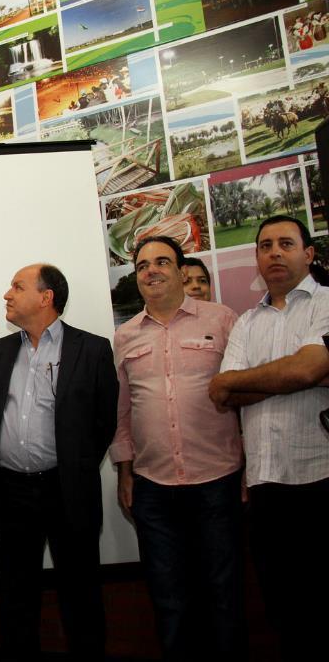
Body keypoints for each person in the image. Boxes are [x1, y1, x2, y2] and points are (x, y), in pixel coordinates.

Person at [110, 237, 244, 659]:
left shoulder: (223, 320)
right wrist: (125, 474)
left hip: (217, 480)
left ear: (181, 270)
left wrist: (248, 471)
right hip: (153, 487)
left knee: (223, 592)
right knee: (168, 597)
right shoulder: (125, 336)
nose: (151, 270)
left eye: (161, 261)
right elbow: (122, 413)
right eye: (143, 265)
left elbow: (245, 399)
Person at [209, 215, 329, 661]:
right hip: (266, 484)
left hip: (321, 473)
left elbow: (307, 369)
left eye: (285, 243)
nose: (274, 253)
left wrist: (266, 379)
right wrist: (303, 375)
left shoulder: (326, 304)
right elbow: (222, 390)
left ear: (309, 253)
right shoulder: (245, 323)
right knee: (284, 607)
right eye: (265, 246)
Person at [0, 263, 117, 661]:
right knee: (15, 598)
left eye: (17, 286)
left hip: (66, 491)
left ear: (46, 298)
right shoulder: (0, 350)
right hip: (11, 492)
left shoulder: (91, 348)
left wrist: (73, 468)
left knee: (80, 595)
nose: (7, 294)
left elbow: (103, 421)